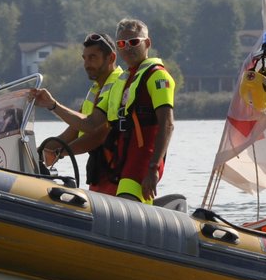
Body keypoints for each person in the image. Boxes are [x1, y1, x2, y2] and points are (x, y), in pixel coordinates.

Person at [85, 18, 176, 203]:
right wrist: (52, 104)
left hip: (144, 159)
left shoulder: (157, 76)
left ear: (147, 43)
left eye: (134, 42)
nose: (128, 47)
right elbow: (94, 123)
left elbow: (167, 124)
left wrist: (153, 168)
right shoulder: (125, 79)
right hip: (123, 159)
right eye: (122, 43)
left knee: (127, 209)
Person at [27, 32, 124, 194]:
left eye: (93, 57)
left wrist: (58, 153)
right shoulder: (95, 89)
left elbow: (97, 133)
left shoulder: (118, 85)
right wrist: (33, 153)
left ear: (111, 58)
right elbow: (70, 134)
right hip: (101, 173)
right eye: (84, 58)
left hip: (117, 174)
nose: (87, 64)